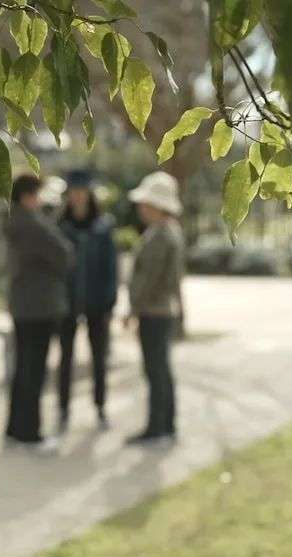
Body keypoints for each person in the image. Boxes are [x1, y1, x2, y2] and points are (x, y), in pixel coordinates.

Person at [5, 174, 74, 452]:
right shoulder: (33, 224)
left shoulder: (13, 222)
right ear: (28, 196)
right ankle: (30, 433)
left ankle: (15, 428)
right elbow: (66, 254)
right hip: (40, 306)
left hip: (22, 305)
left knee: (23, 369)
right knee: (34, 370)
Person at [124, 172, 185, 444]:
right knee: (161, 370)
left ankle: (158, 428)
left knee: (156, 371)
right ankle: (166, 426)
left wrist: (133, 309)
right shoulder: (169, 231)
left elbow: (148, 278)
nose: (141, 208)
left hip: (154, 311)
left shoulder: (161, 235)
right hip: (161, 310)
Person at [57, 170, 118, 433]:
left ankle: (100, 406)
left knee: (99, 358)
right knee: (65, 357)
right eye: (74, 192)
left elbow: (112, 269)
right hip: (67, 304)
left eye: (82, 192)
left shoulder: (103, 228)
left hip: (97, 302)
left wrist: (109, 302)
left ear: (89, 194)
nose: (78, 196)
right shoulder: (60, 227)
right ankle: (63, 408)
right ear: (69, 195)